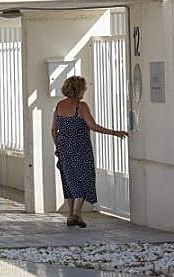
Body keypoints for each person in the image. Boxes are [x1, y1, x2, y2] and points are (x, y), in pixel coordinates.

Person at [51, 75, 127, 227]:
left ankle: (70, 214)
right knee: (85, 179)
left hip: (64, 150)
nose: (85, 90)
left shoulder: (59, 105)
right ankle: (77, 214)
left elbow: (53, 130)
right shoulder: (81, 106)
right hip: (81, 150)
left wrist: (58, 147)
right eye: (84, 88)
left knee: (69, 181)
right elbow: (93, 126)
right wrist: (114, 132)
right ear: (79, 89)